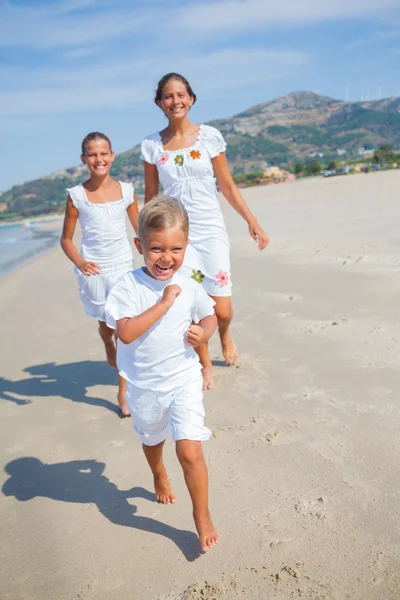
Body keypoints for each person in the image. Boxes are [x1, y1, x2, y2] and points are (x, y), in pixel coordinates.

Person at [140, 72, 269, 391]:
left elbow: (226, 185)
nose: (175, 101)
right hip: (177, 236)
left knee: (222, 308)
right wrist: (147, 241)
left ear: (191, 98)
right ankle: (204, 362)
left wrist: (251, 220)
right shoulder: (152, 146)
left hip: (210, 230)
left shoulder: (209, 137)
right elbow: (151, 196)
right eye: (168, 96)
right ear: (160, 103)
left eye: (181, 94)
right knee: (192, 302)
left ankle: (224, 332)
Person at [104, 196, 219, 553]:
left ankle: (201, 515)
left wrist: (207, 332)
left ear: (186, 246)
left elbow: (209, 314)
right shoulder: (128, 286)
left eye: (176, 249)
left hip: (183, 378)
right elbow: (125, 332)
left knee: (190, 451)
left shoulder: (190, 282)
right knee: (153, 440)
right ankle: (157, 472)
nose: (166, 258)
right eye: (156, 249)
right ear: (139, 246)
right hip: (144, 385)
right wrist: (163, 303)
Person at [60, 131, 139, 417]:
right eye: (92, 154)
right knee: (107, 328)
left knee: (123, 330)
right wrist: (81, 263)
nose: (99, 159)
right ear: (84, 159)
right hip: (94, 271)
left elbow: (140, 229)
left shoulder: (127, 191)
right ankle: (106, 342)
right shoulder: (76, 196)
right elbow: (66, 239)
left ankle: (123, 392)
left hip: (122, 268)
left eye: (103, 153)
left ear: (112, 155)